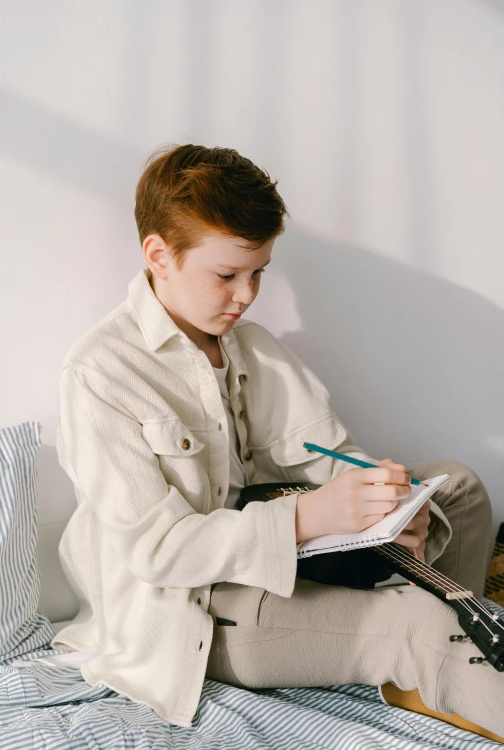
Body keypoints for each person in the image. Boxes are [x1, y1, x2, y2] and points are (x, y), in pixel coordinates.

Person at [52, 143, 503, 735]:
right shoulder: (100, 374)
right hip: (194, 613)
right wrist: (307, 516)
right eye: (227, 275)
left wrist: (385, 503)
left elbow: (324, 450)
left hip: (280, 561)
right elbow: (158, 553)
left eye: (259, 272)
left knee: (460, 489)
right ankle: (430, 644)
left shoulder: (252, 346)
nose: (247, 295)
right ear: (159, 255)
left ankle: (453, 655)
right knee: (415, 617)